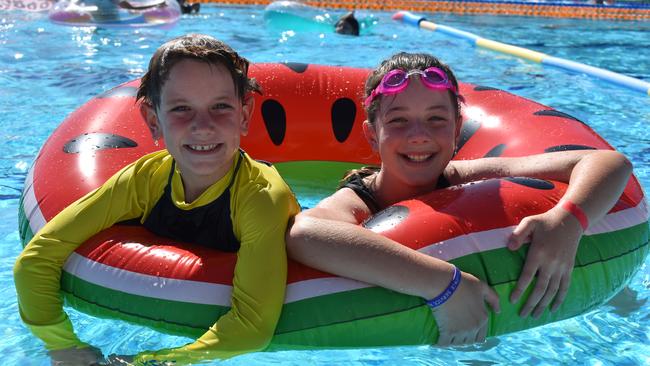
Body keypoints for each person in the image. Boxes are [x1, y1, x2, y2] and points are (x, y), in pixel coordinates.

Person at [286, 52, 633, 346]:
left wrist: (568, 222)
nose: (418, 135)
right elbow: (305, 234)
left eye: (436, 119)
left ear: (456, 130)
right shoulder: (360, 200)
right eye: (399, 121)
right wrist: (445, 285)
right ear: (371, 136)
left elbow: (608, 162)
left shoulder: (470, 175)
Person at [14, 34, 299, 365]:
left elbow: (252, 327)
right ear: (153, 120)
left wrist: (149, 361)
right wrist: (63, 346)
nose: (203, 126)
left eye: (220, 106)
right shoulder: (145, 179)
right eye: (181, 109)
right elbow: (36, 260)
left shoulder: (261, 198)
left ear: (245, 114)